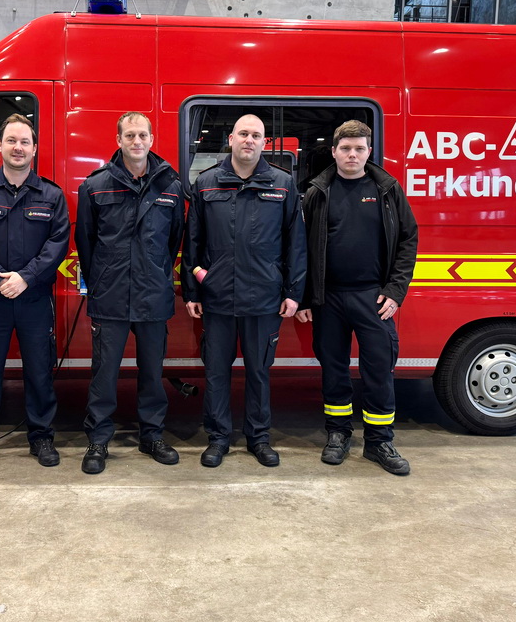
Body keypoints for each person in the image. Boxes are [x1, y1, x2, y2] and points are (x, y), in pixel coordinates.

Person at [183, 114, 307, 467]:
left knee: (258, 372)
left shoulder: (283, 185)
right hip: (218, 298)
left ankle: (259, 438)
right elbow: (193, 241)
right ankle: (218, 438)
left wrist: (294, 292)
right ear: (231, 139)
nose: (249, 140)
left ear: (265, 143)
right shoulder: (206, 183)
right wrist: (193, 289)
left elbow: (295, 244)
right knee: (216, 372)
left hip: (264, 298)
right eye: (243, 134)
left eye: (256, 135)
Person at [295, 119, 418, 475]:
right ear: (334, 152)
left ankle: (380, 443)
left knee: (378, 370)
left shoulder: (387, 189)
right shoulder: (318, 191)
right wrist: (304, 297)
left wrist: (395, 291)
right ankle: (337, 435)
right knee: (333, 370)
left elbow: (408, 239)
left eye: (359, 148)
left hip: (373, 298)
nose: (352, 154)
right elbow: (301, 247)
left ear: (368, 151)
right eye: (345, 148)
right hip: (327, 298)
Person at [0, 114, 70, 470]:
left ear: (34, 149)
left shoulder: (51, 195)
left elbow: (58, 244)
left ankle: (41, 438)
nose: (18, 147)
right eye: (11, 141)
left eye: (24, 142)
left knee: (39, 372)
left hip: (34, 299)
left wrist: (25, 278)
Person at [75, 112, 186, 474]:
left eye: (142, 135)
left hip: (153, 294)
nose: (136, 141)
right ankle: (98, 440)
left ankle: (152, 435)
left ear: (152, 139)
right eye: (130, 135)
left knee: (152, 373)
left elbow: (174, 241)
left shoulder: (171, 186)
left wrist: (155, 273)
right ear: (119, 139)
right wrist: (102, 279)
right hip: (110, 295)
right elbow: (86, 242)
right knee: (103, 374)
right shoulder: (95, 186)